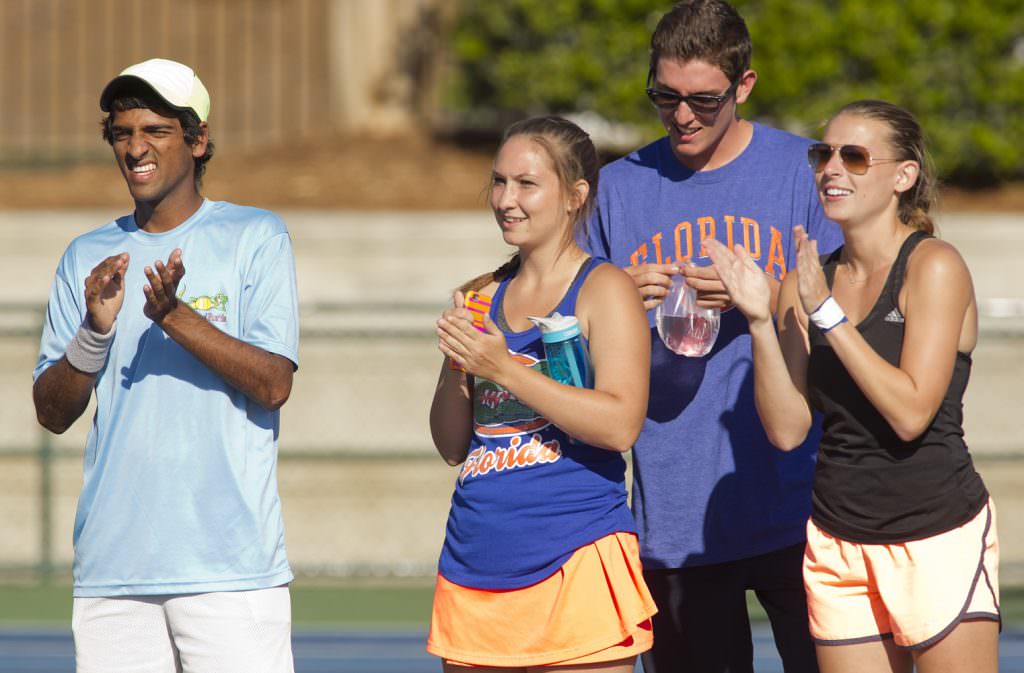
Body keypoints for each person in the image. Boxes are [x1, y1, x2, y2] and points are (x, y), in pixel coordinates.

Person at [587, 1, 846, 671]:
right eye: (664, 96)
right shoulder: (617, 189)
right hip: (675, 515)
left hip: (807, 503)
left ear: (745, 85)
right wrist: (613, 296)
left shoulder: (807, 173)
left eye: (703, 99)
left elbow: (854, 319)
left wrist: (766, 293)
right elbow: (563, 336)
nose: (682, 116)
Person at [706, 99, 999, 673]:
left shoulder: (933, 266)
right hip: (838, 538)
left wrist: (828, 316)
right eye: (824, 154)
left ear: (903, 176)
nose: (832, 169)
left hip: (937, 533)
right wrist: (763, 320)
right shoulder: (806, 280)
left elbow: (912, 412)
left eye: (854, 156)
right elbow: (788, 430)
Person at [32, 58, 299, 672]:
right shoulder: (86, 256)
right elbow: (51, 412)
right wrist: (94, 332)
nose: (136, 148)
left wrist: (174, 315)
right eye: (123, 133)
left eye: (156, 130)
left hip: (230, 568)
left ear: (198, 139)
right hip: (112, 571)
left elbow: (273, 383)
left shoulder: (256, 236)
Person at [426, 116, 657, 672]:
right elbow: (453, 444)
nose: (506, 199)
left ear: (576, 195)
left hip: (575, 557)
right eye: (499, 182)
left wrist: (504, 369)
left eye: (526, 184)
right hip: (475, 563)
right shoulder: (484, 292)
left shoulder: (605, 288)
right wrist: (458, 361)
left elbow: (620, 425)